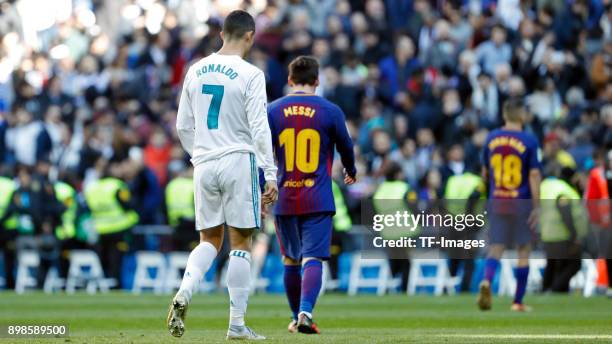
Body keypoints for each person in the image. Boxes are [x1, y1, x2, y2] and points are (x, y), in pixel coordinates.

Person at [167, 10, 278, 341]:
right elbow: (259, 126)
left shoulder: (196, 70)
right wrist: (269, 172)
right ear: (250, 36)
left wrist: (198, 154)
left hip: (203, 163)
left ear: (221, 35)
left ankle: (186, 289)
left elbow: (182, 125)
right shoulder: (251, 74)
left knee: (209, 240)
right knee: (241, 241)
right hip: (237, 160)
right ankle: (236, 325)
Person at [267, 56, 356, 334]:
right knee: (313, 258)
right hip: (317, 197)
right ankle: (306, 311)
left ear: (290, 80)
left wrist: (263, 185)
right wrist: (351, 170)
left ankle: (296, 317)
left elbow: (260, 153)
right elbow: (346, 146)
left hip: (284, 197)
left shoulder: (273, 110)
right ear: (317, 81)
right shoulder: (330, 110)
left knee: (290, 260)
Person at [477, 98, 542, 312]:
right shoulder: (529, 141)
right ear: (522, 116)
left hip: (497, 200)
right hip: (520, 202)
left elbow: (485, 173)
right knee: (523, 250)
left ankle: (486, 280)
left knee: (496, 247)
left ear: (504, 115)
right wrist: (537, 206)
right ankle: (517, 301)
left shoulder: (491, 139)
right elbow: (533, 175)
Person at [540, 165, 587, 293]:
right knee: (574, 264)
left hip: (547, 232)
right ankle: (555, 290)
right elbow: (564, 211)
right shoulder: (564, 189)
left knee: (554, 264)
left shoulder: (548, 186)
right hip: (561, 233)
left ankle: (546, 289)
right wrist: (574, 235)